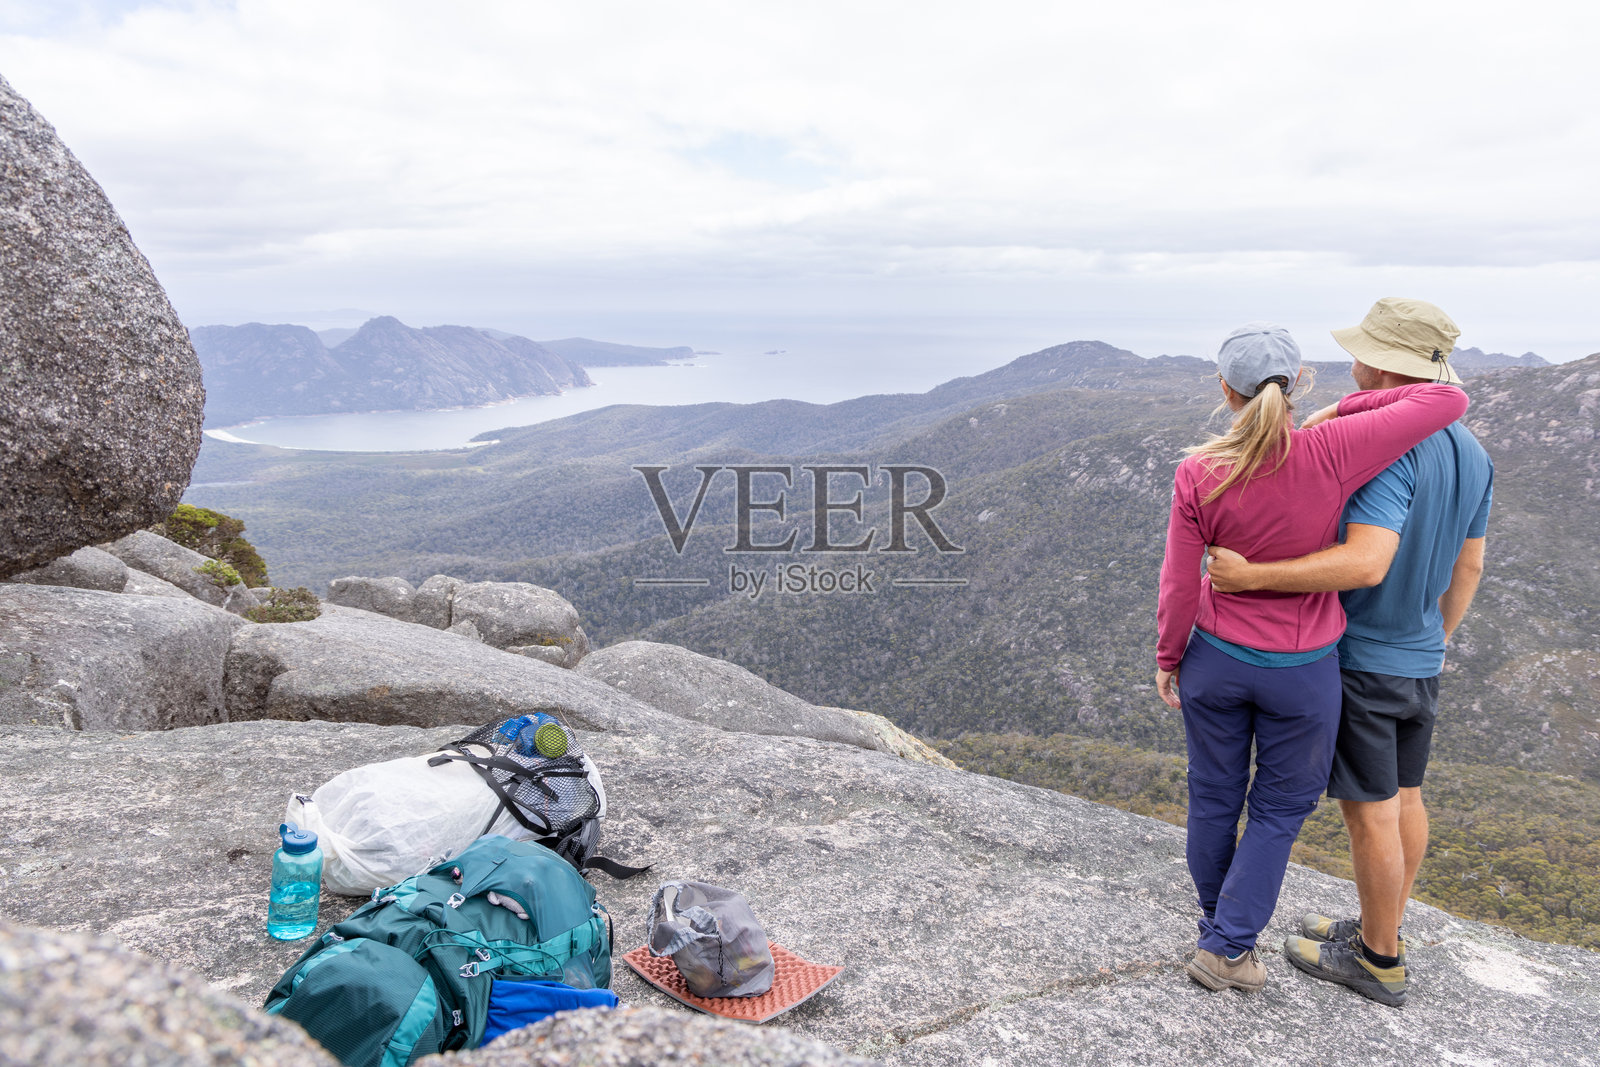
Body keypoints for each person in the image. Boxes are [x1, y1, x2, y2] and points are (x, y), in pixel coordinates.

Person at [1156, 321, 1469, 995]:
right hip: (1302, 673)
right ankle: (1227, 944)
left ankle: (1223, 935)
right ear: (1297, 384)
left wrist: (1169, 654)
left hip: (1214, 659)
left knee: (1212, 796)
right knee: (1276, 810)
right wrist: (1338, 410)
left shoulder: (1198, 469)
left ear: (1225, 389)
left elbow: (1180, 583)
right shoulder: (1332, 450)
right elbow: (1448, 402)